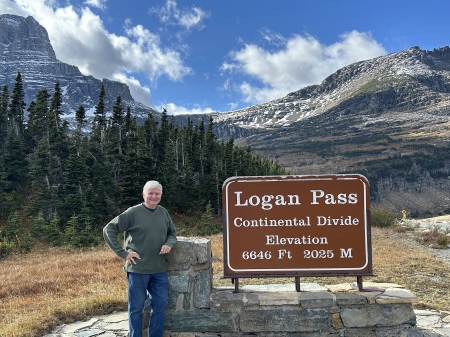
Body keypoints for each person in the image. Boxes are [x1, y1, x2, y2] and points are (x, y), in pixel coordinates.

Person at [103, 180, 177, 337]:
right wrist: (124, 253)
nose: (153, 196)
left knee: (159, 308)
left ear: (161, 195)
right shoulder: (133, 212)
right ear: (144, 194)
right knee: (136, 309)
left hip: (159, 270)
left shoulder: (163, 212)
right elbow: (108, 229)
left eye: (157, 193)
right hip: (137, 270)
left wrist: (169, 244)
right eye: (150, 193)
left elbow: (172, 233)